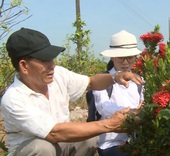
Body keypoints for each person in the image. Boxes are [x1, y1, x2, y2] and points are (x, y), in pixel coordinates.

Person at [0, 28, 144, 156]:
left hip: (60, 144)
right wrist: (110, 124)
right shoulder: (14, 99)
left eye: (52, 59)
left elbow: (91, 82)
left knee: (89, 138)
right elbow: (54, 133)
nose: (53, 65)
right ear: (24, 66)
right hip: (39, 148)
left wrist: (115, 77)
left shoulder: (58, 75)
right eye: (45, 61)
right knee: (43, 148)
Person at [92, 30, 144, 156]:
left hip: (137, 139)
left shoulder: (139, 80)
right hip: (110, 141)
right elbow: (103, 107)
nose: (125, 62)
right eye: (121, 58)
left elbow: (143, 103)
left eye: (130, 57)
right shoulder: (102, 80)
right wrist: (131, 111)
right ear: (113, 57)